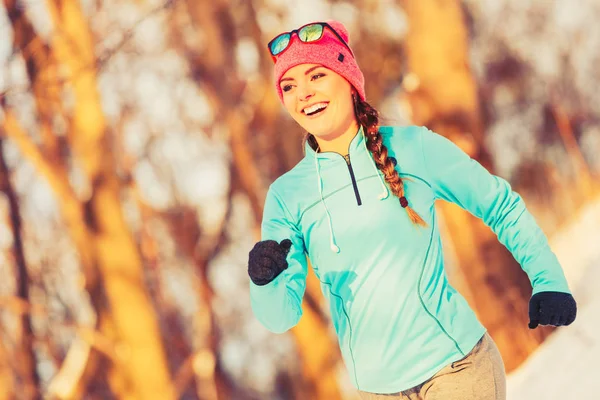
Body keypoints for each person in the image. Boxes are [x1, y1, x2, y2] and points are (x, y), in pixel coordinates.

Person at [246, 20, 577, 400]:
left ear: (348, 79)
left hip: (457, 368)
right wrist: (265, 282)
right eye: (288, 86)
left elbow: (499, 205)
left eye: (316, 75)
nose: (303, 93)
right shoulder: (287, 196)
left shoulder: (414, 147)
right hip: (376, 391)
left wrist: (548, 278)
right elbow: (281, 317)